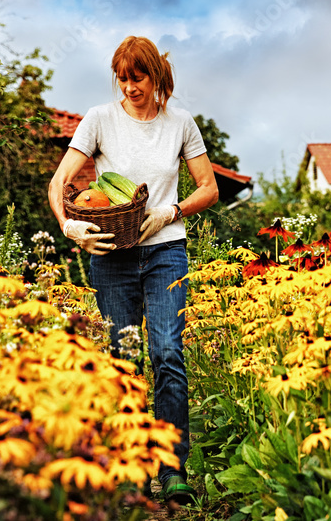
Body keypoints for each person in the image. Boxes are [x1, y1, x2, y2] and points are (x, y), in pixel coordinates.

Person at [48, 36, 219, 505]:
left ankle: (172, 468)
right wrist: (70, 227)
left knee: (167, 352)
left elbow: (209, 188)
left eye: (137, 78)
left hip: (166, 250)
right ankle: (131, 470)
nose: (128, 87)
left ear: (156, 77)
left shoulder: (181, 123)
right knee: (123, 361)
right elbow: (59, 183)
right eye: (122, 79)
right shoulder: (100, 119)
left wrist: (171, 211)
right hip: (110, 255)